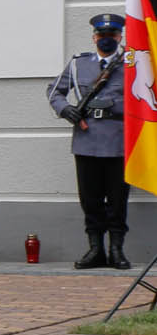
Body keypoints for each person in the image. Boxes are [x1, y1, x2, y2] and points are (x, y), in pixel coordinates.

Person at [48, 13, 131, 269]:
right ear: (94, 37)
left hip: (118, 141)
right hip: (87, 140)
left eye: (112, 35)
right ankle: (95, 250)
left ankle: (116, 250)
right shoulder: (78, 64)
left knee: (117, 201)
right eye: (102, 35)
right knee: (90, 200)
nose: (107, 39)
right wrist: (66, 110)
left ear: (120, 37)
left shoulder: (131, 64)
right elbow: (54, 90)